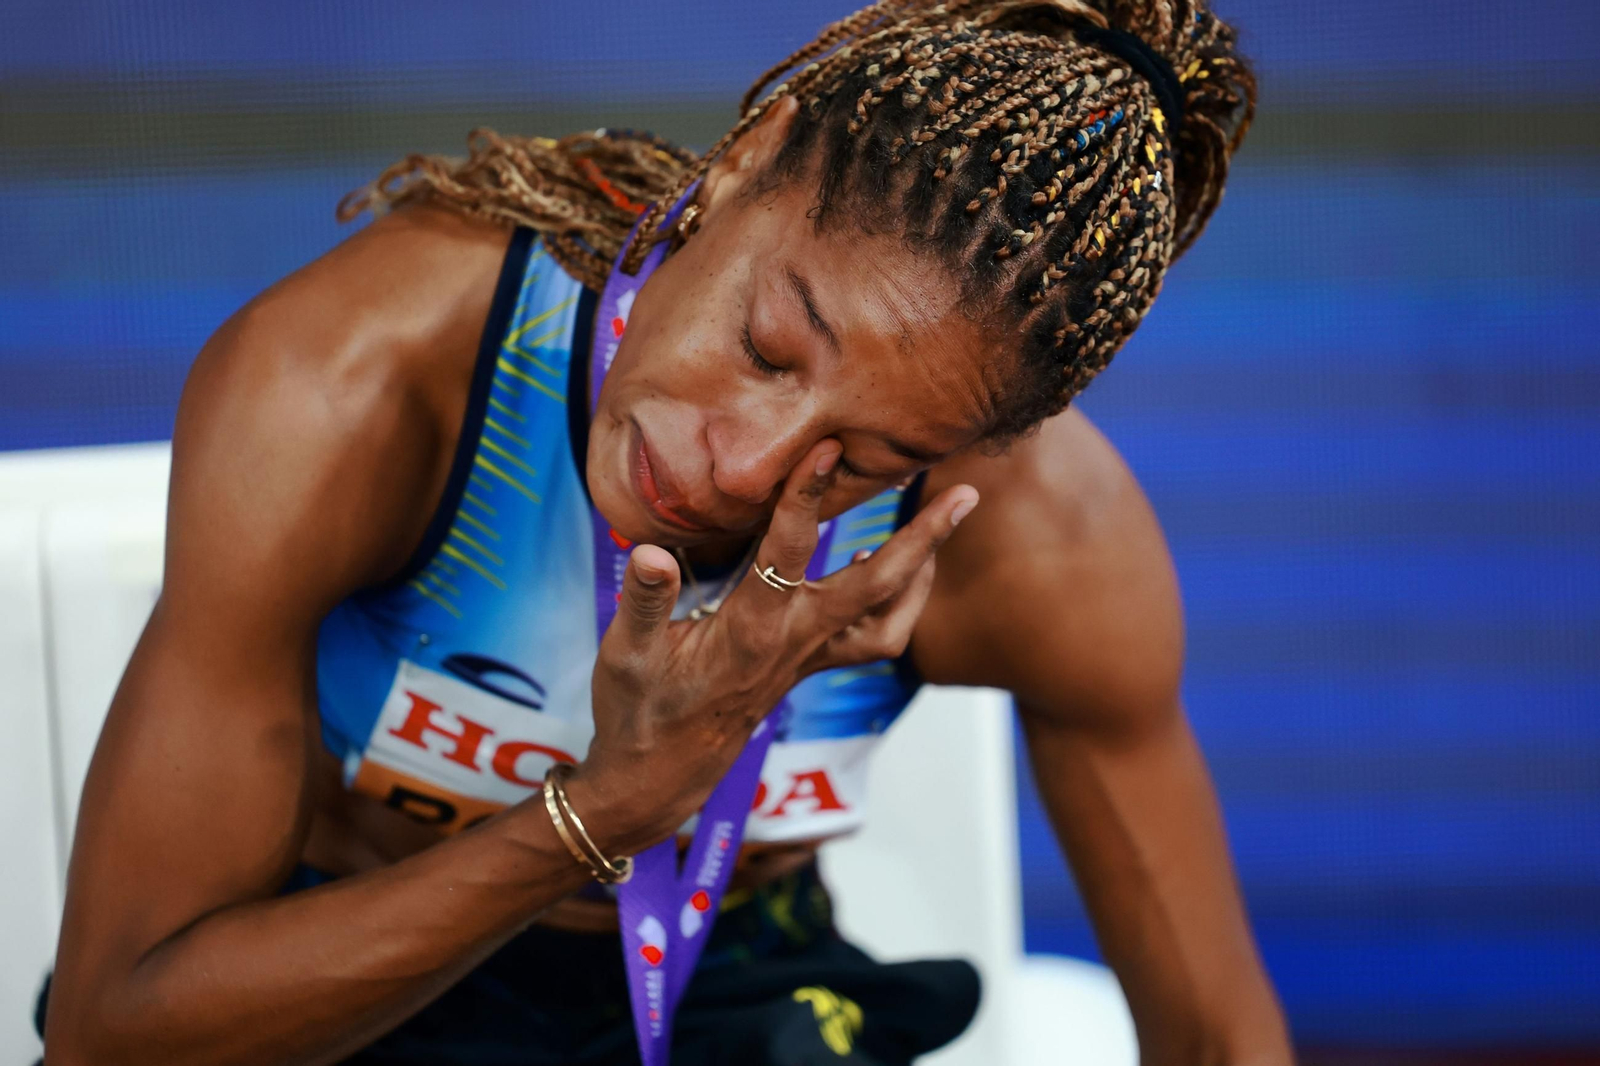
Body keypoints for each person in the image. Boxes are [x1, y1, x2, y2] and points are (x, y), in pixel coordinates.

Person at [40, 0, 1292, 1063]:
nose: (739, 465)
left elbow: (1215, 1035)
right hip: (343, 960)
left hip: (737, 989)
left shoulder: (1030, 534)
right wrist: (605, 810)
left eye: (861, 459)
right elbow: (116, 1024)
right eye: (764, 345)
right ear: (746, 158)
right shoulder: (352, 385)